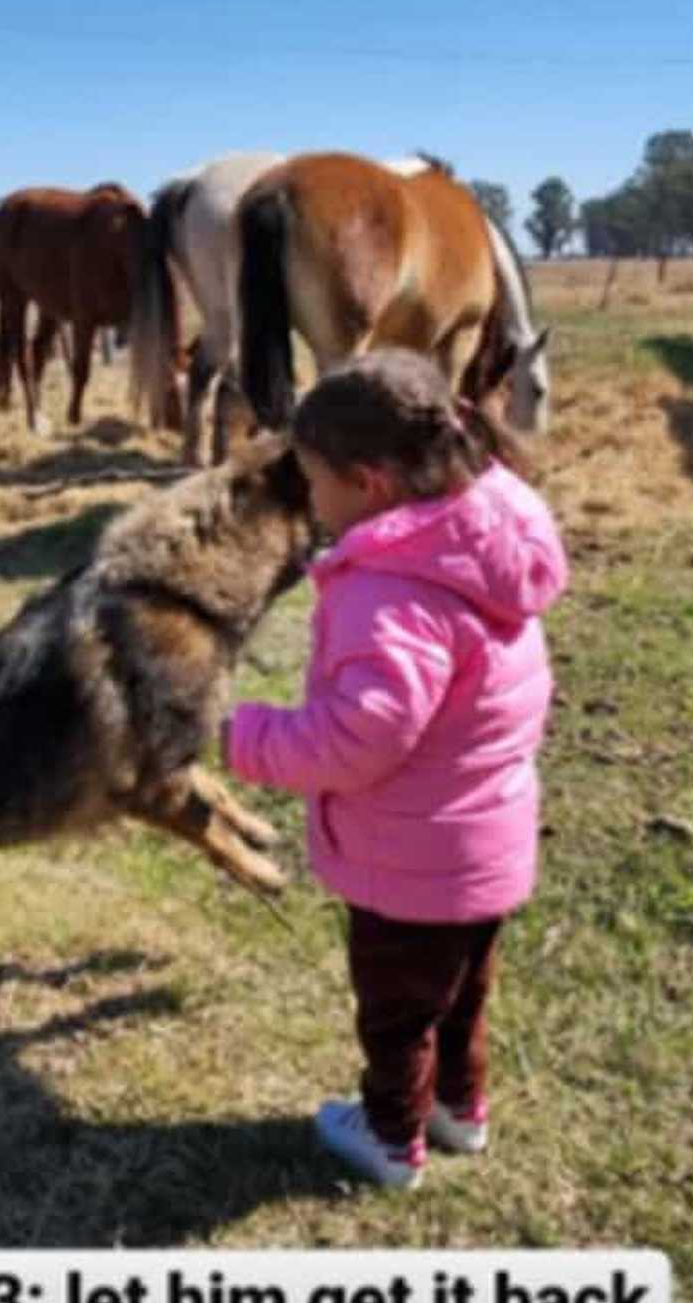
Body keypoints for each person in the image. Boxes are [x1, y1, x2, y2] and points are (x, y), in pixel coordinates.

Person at [222, 348, 568, 1189]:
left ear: (369, 484)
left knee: (397, 1015)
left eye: (313, 479)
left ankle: (389, 1139)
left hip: (409, 864)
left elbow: (357, 738)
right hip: (486, 846)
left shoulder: (391, 593)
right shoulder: (488, 539)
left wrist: (243, 736)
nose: (309, 498)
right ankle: (459, 1110)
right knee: (460, 999)